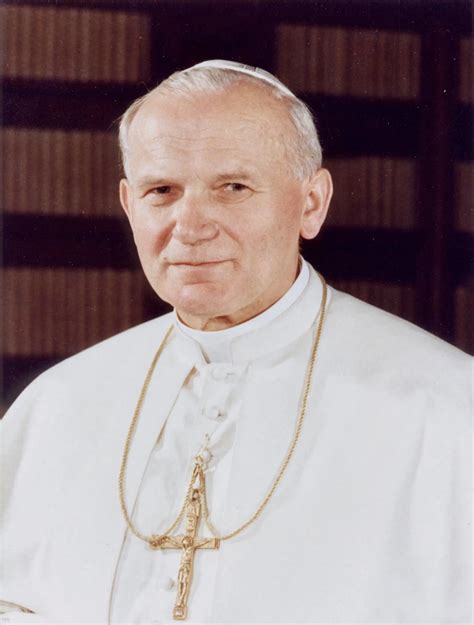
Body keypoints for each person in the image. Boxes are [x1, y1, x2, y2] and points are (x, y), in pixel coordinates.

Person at [0, 60, 471, 624]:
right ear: (129, 205)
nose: (190, 226)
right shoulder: (59, 401)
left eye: (233, 188)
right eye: (161, 191)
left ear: (311, 203)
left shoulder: (446, 406)